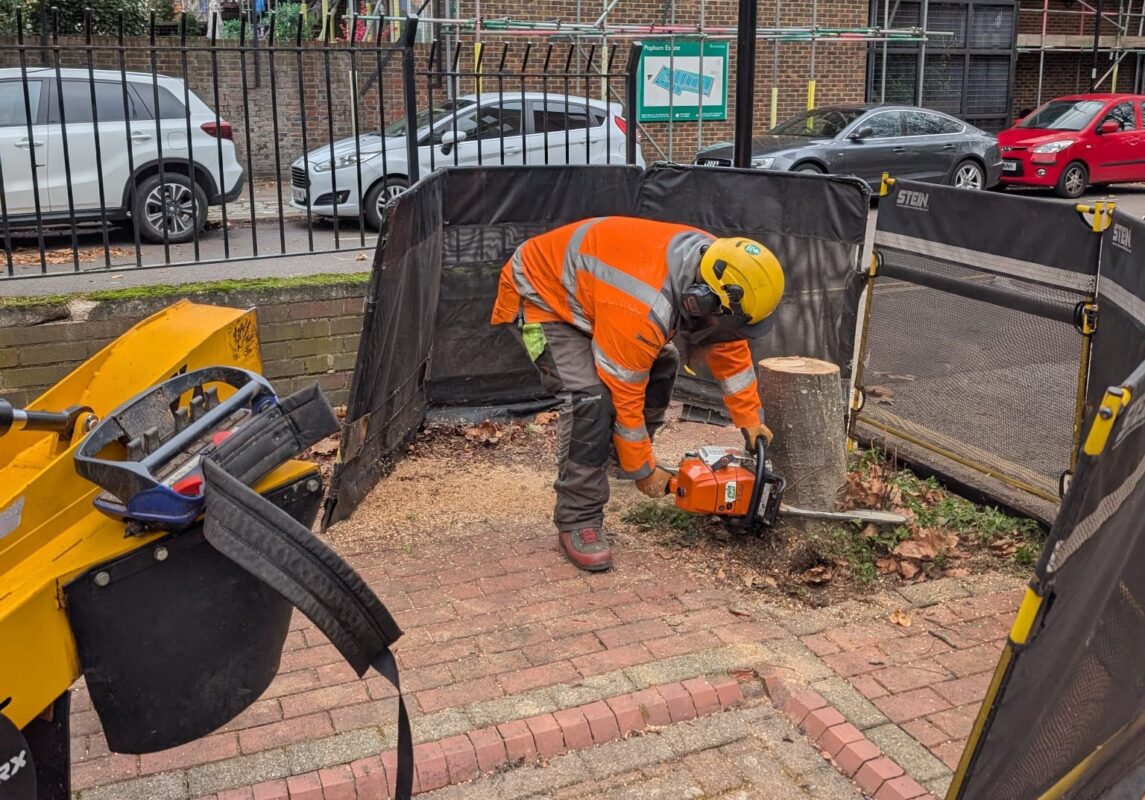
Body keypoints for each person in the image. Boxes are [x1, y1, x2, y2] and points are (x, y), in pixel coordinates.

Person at [490, 216, 785, 572]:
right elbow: (623, 395)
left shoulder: (718, 264)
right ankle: (578, 518)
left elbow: (727, 344)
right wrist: (644, 471)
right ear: (699, 302)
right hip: (540, 297)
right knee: (590, 398)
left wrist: (750, 419)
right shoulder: (643, 304)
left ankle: (615, 460)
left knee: (662, 362)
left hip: (597, 299)